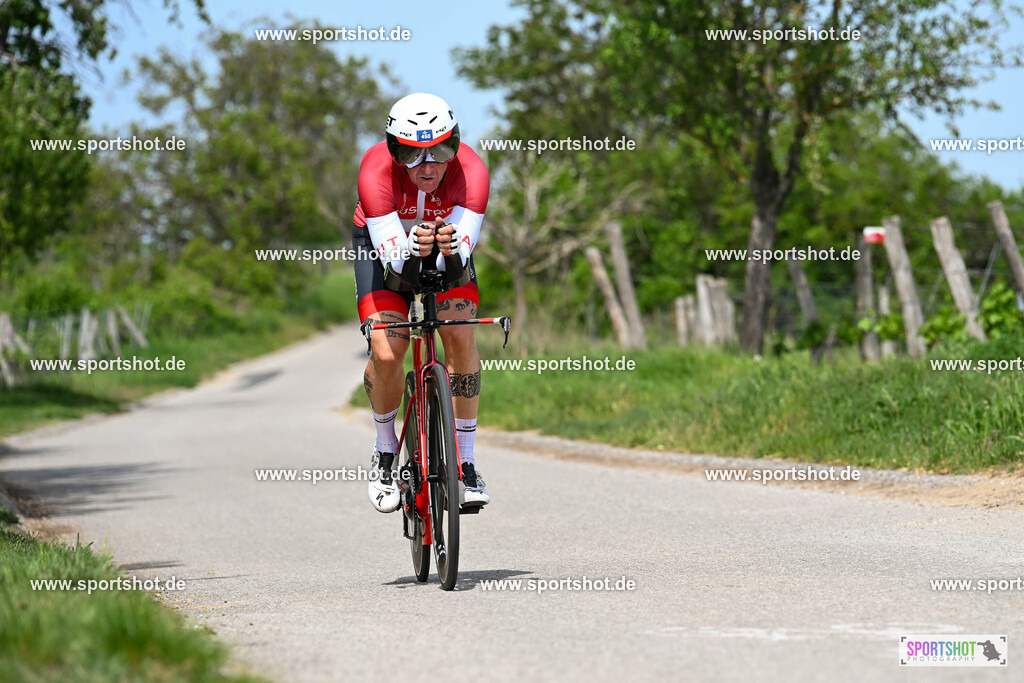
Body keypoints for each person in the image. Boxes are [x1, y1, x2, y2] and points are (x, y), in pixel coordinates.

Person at [352, 93, 490, 513]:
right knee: (388, 350)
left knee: (461, 336)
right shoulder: (375, 170)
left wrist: (447, 249)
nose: (427, 167)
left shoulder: (472, 172)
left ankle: (465, 463)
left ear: (455, 144)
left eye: (440, 152)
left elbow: (458, 258)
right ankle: (385, 451)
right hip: (385, 248)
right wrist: (412, 248)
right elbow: (396, 264)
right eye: (412, 155)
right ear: (394, 151)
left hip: (443, 250)